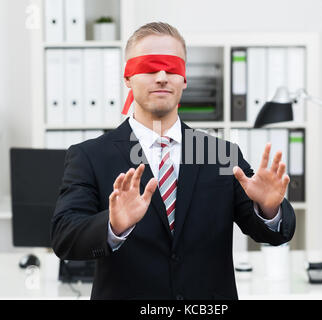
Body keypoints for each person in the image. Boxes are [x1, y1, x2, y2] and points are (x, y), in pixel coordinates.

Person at [51, 22, 296, 300]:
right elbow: (64, 237)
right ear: (128, 78)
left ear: (184, 79)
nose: (162, 76)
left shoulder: (221, 154)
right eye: (149, 66)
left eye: (172, 67)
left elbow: (277, 234)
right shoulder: (89, 156)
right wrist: (113, 226)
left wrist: (268, 208)